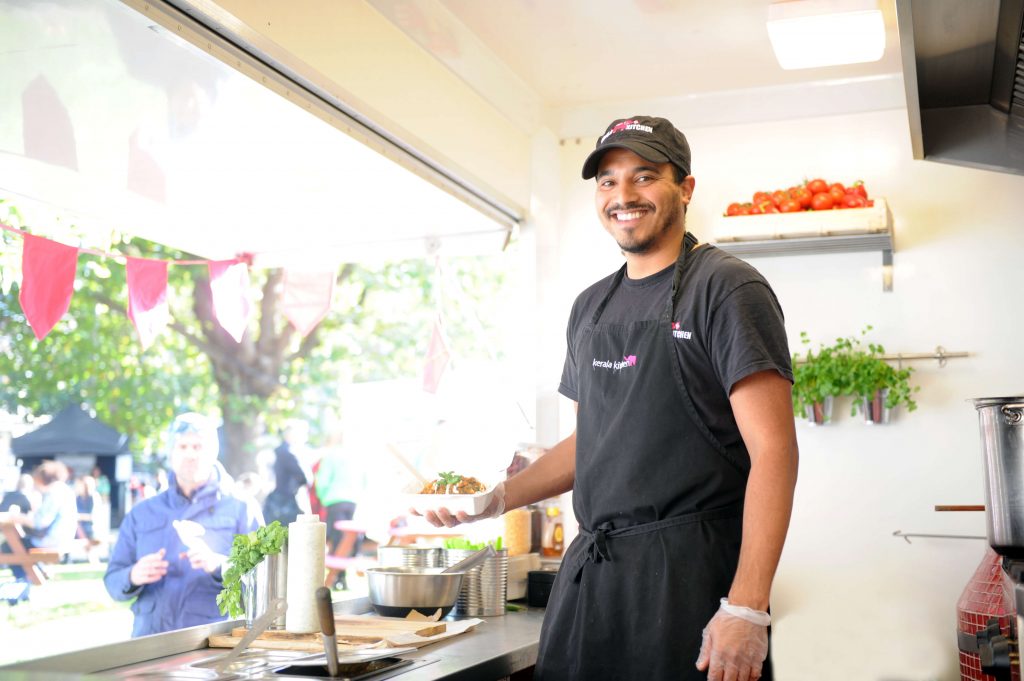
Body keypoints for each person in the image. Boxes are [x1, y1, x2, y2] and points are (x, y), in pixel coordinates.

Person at [416, 116, 799, 681]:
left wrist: (746, 607)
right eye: (607, 181)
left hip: (687, 580)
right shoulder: (591, 308)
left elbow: (775, 453)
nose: (623, 196)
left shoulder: (726, 289)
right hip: (593, 580)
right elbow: (588, 444)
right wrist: (496, 500)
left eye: (644, 177)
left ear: (685, 188)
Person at [104, 412, 262, 637]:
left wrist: (220, 566)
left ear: (212, 452)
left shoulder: (241, 509)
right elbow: (112, 581)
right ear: (171, 453)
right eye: (182, 446)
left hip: (211, 643)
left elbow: (264, 586)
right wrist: (133, 575)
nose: (190, 454)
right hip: (149, 642)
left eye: (198, 447)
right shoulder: (142, 512)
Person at [1, 461, 78, 602]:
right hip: (59, 540)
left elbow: (40, 522)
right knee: (16, 544)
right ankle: (26, 582)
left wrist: (15, 517)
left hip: (50, 542)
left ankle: (21, 587)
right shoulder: (64, 490)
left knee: (8, 547)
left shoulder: (55, 492)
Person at [315, 431, 365, 590]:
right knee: (349, 539)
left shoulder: (331, 456)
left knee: (337, 539)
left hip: (335, 500)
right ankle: (341, 578)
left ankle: (337, 578)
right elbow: (363, 479)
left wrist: (323, 498)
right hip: (353, 500)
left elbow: (322, 480)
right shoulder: (355, 456)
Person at [262, 420, 310, 527]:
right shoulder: (286, 453)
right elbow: (303, 478)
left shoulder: (280, 451)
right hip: (283, 501)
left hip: (278, 500)